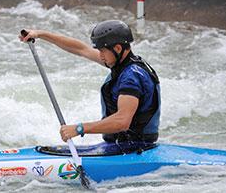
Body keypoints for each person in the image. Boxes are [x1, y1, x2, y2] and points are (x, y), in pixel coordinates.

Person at [20, 20, 161, 147]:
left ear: (117, 48)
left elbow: (122, 122)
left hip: (133, 149)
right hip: (123, 146)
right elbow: (81, 49)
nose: (100, 55)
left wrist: (79, 128)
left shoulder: (131, 77)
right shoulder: (122, 64)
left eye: (102, 51)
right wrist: (40, 34)